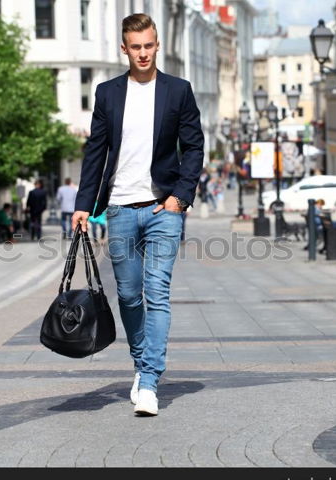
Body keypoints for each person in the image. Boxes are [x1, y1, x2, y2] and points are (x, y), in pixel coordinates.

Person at [71, 13, 203, 416]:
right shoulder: (107, 93)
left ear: (157, 44)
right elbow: (96, 151)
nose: (143, 53)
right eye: (136, 46)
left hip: (163, 207)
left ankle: (149, 381)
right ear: (124, 48)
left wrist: (180, 198)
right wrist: (82, 204)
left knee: (157, 292)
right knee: (128, 294)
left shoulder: (178, 90)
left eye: (149, 45)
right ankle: (142, 362)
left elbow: (194, 146)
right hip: (120, 208)